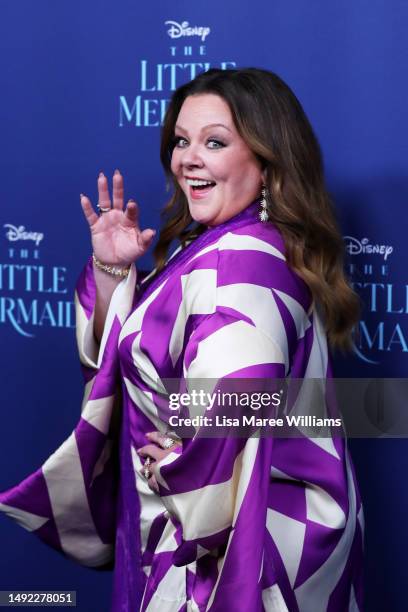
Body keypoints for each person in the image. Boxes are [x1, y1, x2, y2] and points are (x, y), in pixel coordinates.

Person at [0, 68, 363, 611]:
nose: (187, 158)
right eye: (181, 141)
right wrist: (112, 270)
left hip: (220, 553)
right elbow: (140, 361)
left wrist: (183, 469)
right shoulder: (225, 245)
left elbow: (239, 397)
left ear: (266, 163)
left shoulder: (246, 257)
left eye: (214, 142)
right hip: (193, 528)